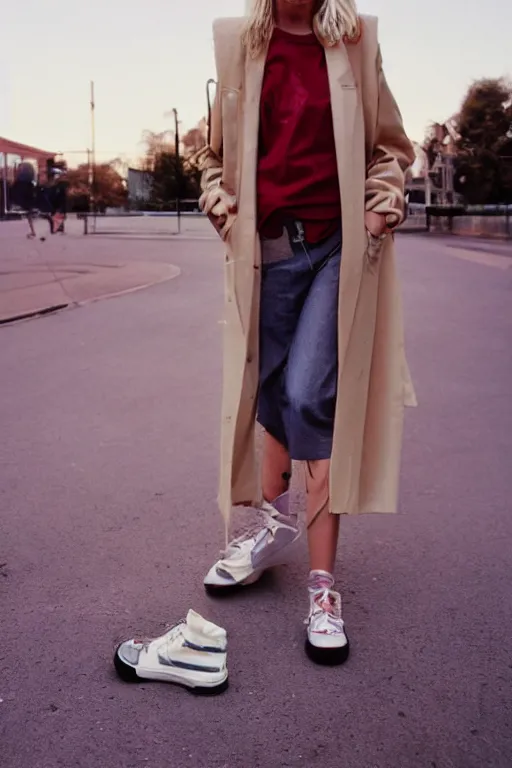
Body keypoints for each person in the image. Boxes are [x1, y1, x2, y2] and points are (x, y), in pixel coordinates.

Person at [198, 0, 416, 666]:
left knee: (307, 397)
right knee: (268, 400)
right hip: (264, 256)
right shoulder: (239, 44)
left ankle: (323, 587)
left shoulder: (354, 41)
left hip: (334, 251)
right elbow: (210, 158)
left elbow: (390, 149)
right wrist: (223, 210)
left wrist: (380, 213)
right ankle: (273, 533)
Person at [10, 161, 37, 238]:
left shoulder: (19, 184)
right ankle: (33, 231)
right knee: (29, 215)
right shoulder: (30, 184)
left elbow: (13, 191)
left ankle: (33, 231)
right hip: (28, 202)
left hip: (22, 201)